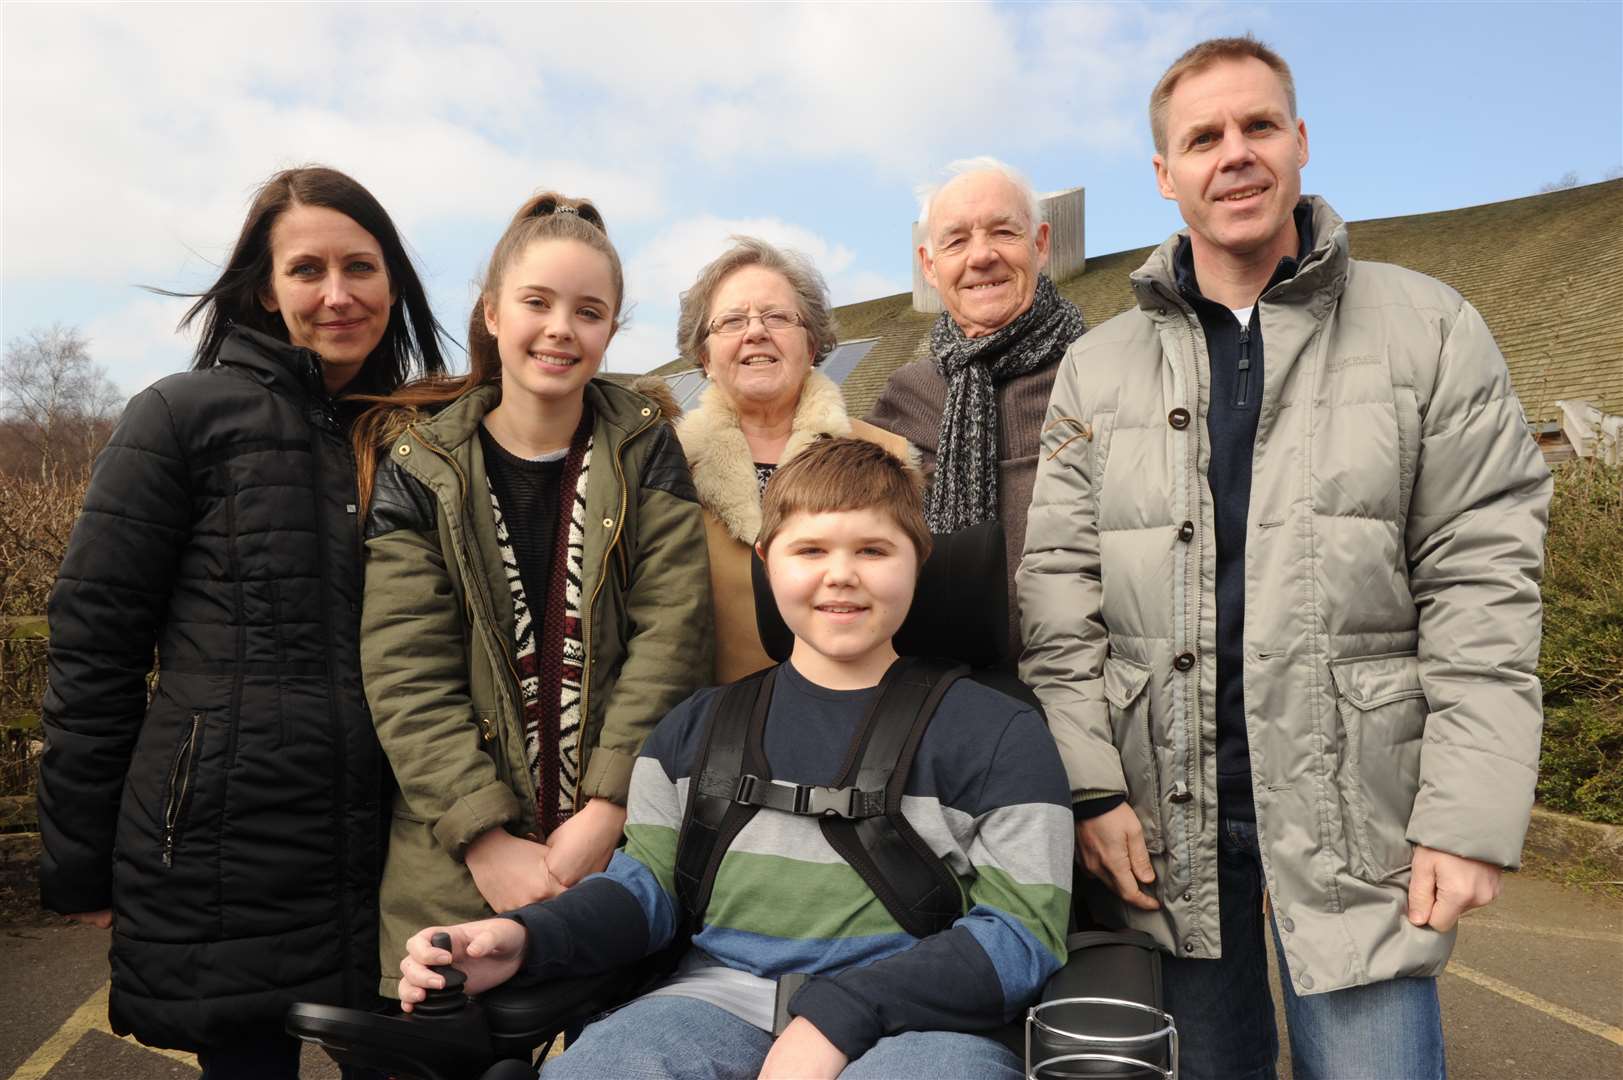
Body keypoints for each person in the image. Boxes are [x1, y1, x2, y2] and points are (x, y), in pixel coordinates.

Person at [1017, 36, 1552, 1079]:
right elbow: (1057, 595)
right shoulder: (1098, 367)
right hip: (1164, 828)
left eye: (1259, 125)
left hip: (1368, 825)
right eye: (1202, 138)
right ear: (1165, 176)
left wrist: (1466, 818)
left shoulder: (1429, 327)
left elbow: (1482, 580)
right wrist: (1091, 789)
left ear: (1300, 141)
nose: (1236, 154)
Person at [395, 437, 1073, 1080]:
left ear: (917, 561)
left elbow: (1021, 933)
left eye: (873, 549)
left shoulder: (1000, 731)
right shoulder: (697, 727)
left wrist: (837, 1016)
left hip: (920, 1022)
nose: (841, 574)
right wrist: (524, 940)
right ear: (765, 560)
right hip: (712, 1002)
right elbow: (647, 891)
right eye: (809, 549)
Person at [36, 165, 449, 1076]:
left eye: (361, 267)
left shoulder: (426, 435)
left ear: (394, 283)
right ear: (265, 288)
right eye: (308, 270)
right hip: (221, 856)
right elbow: (94, 649)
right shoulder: (178, 419)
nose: (337, 294)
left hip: (400, 843)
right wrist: (81, 859)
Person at [354, 192, 711, 999]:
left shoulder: (648, 451)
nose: (560, 328)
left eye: (588, 311)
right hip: (452, 857)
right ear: (490, 312)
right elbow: (406, 672)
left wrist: (608, 810)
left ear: (612, 330)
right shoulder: (419, 468)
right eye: (537, 302)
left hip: (618, 858)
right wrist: (485, 839)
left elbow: (673, 639)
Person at [866, 157, 1087, 663]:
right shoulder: (904, 397)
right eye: (956, 240)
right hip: (943, 695)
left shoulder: (1101, 374)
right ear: (928, 263)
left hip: (1093, 688)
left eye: (1004, 232)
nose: (981, 256)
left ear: (1041, 243)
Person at [674, 238, 910, 682]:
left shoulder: (888, 457)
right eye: (732, 321)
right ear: (705, 356)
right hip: (715, 729)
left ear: (813, 344)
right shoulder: (668, 468)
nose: (756, 332)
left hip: (861, 719)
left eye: (778, 317)